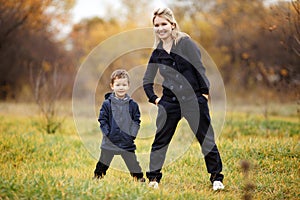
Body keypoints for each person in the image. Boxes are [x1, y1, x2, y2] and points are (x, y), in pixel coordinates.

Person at [143, 8, 224, 190]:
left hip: (194, 99)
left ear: (172, 25)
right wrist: (156, 100)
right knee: (160, 141)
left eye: (164, 24)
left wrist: (203, 94)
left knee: (206, 139)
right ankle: (153, 180)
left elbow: (199, 69)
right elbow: (147, 80)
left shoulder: (185, 43)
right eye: (156, 25)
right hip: (169, 102)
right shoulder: (157, 52)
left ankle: (217, 179)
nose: (160, 28)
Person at [94, 69, 145, 182]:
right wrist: (108, 134)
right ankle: (97, 178)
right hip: (110, 141)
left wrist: (132, 135)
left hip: (126, 141)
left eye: (124, 84)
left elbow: (136, 121)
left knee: (133, 163)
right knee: (103, 162)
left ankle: (139, 179)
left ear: (128, 86)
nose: (121, 87)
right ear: (112, 86)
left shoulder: (133, 105)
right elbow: (102, 120)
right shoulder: (107, 104)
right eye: (118, 85)